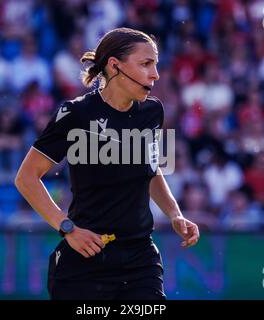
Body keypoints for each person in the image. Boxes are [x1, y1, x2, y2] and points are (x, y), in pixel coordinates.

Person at [15, 27, 200, 300]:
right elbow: (26, 177)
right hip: (85, 259)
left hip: (141, 260)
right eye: (146, 64)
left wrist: (174, 213)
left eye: (156, 65)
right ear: (114, 66)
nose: (155, 74)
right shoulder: (74, 113)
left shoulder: (153, 111)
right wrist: (67, 228)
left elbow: (150, 169)